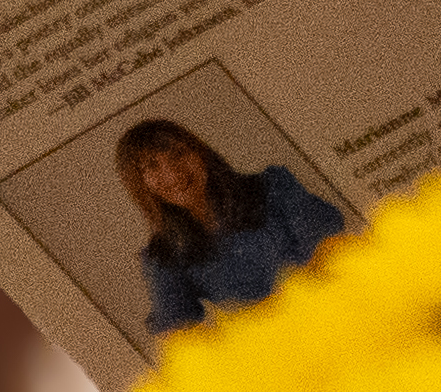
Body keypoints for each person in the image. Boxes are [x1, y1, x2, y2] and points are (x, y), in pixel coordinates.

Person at [113, 116, 346, 333]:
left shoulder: (273, 187)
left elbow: (330, 250)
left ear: (200, 153)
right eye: (152, 167)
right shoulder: (164, 256)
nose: (173, 173)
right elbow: (180, 335)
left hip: (338, 313)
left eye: (179, 154)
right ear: (140, 184)